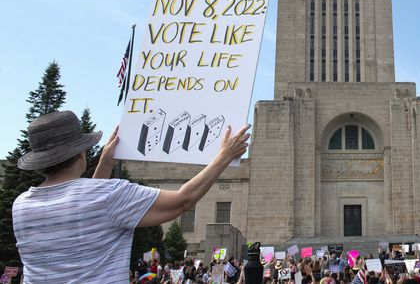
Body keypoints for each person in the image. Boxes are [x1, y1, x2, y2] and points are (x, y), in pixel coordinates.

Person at [12, 110, 251, 283]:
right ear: (81, 152)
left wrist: (104, 165)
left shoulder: (21, 205)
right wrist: (225, 156)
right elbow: (183, 201)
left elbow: (82, 213)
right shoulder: (109, 194)